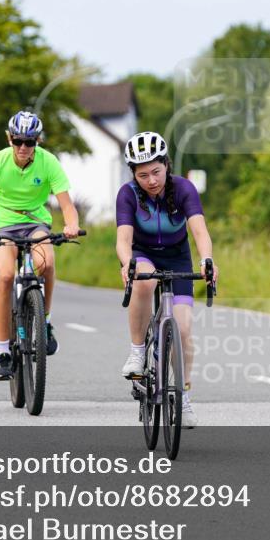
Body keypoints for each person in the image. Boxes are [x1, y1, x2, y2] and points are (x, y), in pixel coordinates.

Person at [115, 131, 217, 429]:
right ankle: (137, 353)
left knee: (183, 330)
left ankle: (183, 398)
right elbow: (123, 238)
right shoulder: (128, 194)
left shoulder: (184, 188)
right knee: (144, 282)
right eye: (143, 175)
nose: (152, 181)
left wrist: (207, 259)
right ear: (134, 174)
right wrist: (127, 262)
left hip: (177, 256)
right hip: (142, 252)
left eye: (156, 172)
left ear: (167, 166)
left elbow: (199, 230)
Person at [0, 110, 80, 381]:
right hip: (3, 224)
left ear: (38, 141)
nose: (24, 148)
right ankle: (2, 354)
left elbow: (66, 204)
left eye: (30, 142)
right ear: (9, 138)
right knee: (6, 275)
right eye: (18, 141)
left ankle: (44, 323)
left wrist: (70, 225)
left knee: (46, 262)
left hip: (36, 222)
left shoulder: (49, 162)